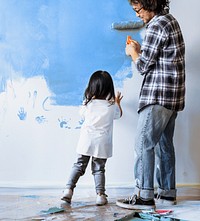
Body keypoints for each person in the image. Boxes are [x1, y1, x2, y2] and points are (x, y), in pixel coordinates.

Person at [116, 0, 185, 210]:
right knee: (164, 146)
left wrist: (132, 53)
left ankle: (145, 196)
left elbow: (144, 66)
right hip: (172, 97)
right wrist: (139, 49)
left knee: (143, 144)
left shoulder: (156, 25)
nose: (137, 15)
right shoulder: (169, 21)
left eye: (138, 9)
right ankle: (166, 193)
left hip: (157, 95)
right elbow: (157, 58)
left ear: (149, 4)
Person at [61, 70, 123, 206]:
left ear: (92, 87)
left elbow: (81, 114)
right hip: (102, 143)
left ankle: (68, 190)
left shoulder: (88, 104)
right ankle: (100, 195)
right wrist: (117, 102)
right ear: (109, 88)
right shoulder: (111, 106)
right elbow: (119, 115)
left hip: (86, 141)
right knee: (99, 169)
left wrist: (90, 100)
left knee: (79, 166)